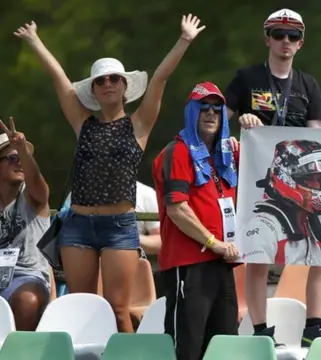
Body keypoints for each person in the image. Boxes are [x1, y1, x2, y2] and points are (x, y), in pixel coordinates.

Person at [13, 14, 206, 333]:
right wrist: (35, 40)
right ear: (93, 89)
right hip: (78, 225)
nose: (107, 84)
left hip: (119, 227)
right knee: (82, 307)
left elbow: (159, 79)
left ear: (125, 86)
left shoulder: (138, 124)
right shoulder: (83, 123)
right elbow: (59, 79)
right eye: (100, 81)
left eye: (114, 78)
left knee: (118, 310)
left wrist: (184, 40)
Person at [223, 8, 321, 348]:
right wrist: (240, 123)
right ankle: (259, 328)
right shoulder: (246, 78)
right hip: (261, 177)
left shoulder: (307, 84)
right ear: (267, 39)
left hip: (302, 179)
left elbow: (320, 135)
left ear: (301, 43)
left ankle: (314, 323)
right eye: (279, 34)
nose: (286, 41)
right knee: (257, 253)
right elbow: (215, 121)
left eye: (293, 36)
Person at [152, 82, 241, 360]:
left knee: (224, 347)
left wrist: (252, 129)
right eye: (204, 107)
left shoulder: (227, 156)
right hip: (188, 265)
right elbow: (177, 209)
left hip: (222, 264)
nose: (211, 113)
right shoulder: (177, 152)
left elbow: (269, 159)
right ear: (191, 112)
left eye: (217, 108)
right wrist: (213, 243)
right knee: (187, 349)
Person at [240, 139, 321, 265]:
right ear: (286, 176)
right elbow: (255, 276)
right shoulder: (264, 226)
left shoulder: (311, 226)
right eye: (310, 179)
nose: (318, 186)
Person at [0, 118, 51, 331]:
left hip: (27, 276)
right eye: (13, 158)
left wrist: (22, 149)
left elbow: (41, 188)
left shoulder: (33, 197)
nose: (20, 162)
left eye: (23, 157)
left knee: (26, 301)